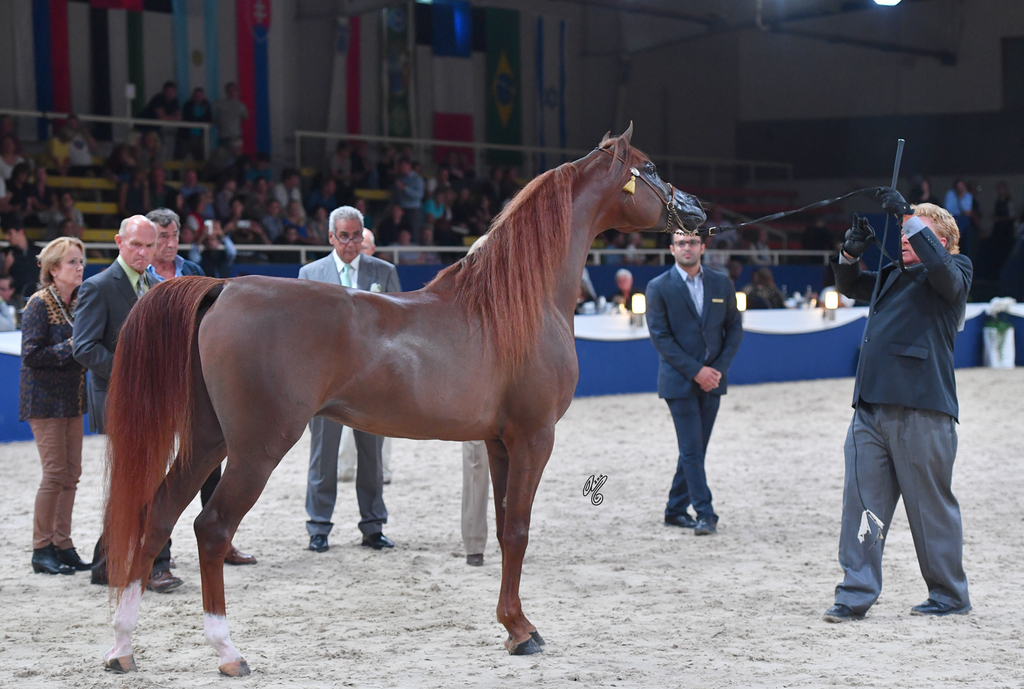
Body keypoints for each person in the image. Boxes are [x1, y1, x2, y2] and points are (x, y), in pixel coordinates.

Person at [823, 194, 973, 623]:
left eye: (916, 234)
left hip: (923, 409)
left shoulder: (955, 271)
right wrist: (851, 252)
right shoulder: (892, 275)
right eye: (905, 234)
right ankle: (854, 593)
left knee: (930, 507)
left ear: (941, 241)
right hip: (869, 407)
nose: (905, 239)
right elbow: (848, 286)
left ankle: (948, 594)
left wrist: (908, 216)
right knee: (862, 503)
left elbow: (945, 276)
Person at [72, 215, 182, 592]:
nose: (143, 252)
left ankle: (107, 563)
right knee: (146, 481)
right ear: (119, 242)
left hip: (156, 401)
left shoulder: (156, 285)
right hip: (119, 400)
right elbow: (83, 348)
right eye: (136, 244)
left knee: (138, 482)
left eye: (149, 246)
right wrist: (131, 374)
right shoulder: (98, 287)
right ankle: (156, 564)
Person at [299, 205, 401, 553]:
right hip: (326, 386)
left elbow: (397, 328)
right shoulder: (310, 273)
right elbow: (303, 333)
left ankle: (373, 526)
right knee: (322, 459)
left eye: (357, 235)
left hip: (373, 384)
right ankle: (318, 527)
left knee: (372, 460)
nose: (352, 242)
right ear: (331, 237)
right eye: (344, 236)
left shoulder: (383, 271)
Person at [645, 233, 743, 536]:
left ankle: (675, 510)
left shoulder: (721, 282)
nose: (687, 247)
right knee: (691, 450)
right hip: (679, 382)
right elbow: (661, 338)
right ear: (672, 249)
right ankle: (705, 513)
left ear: (702, 247)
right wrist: (697, 371)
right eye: (681, 243)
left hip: (713, 381)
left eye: (692, 242)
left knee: (695, 451)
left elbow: (734, 329)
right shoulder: (658, 287)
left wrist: (717, 370)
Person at [20, 237, 90, 575]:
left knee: (71, 475)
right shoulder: (38, 302)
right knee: (54, 475)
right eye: (73, 262)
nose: (80, 268)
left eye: (80, 261)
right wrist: (72, 347)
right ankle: (41, 547)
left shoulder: (77, 302)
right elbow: (31, 354)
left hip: (72, 400)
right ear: (53, 269)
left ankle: (63, 544)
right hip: (44, 401)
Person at [176, 87, 213, 160]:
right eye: (196, 95)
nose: (198, 97)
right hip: (187, 137)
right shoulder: (188, 105)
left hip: (200, 137)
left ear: (203, 96)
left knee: (200, 158)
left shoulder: (206, 106)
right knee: (180, 156)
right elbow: (188, 118)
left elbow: (209, 118)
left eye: (200, 95)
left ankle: (199, 172)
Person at [393, 158, 424, 239]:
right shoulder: (399, 178)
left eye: (403, 166)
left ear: (409, 166)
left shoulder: (417, 179)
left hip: (413, 211)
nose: (402, 168)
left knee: (414, 234)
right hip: (402, 210)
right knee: (401, 234)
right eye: (400, 166)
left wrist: (405, 189)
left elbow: (419, 195)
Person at [213, 82, 248, 147]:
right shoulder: (219, 103)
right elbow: (209, 112)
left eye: (233, 90)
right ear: (226, 91)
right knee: (222, 155)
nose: (231, 92)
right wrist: (217, 122)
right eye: (229, 90)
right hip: (223, 136)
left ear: (236, 91)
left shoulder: (240, 106)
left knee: (236, 156)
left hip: (236, 136)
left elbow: (244, 117)